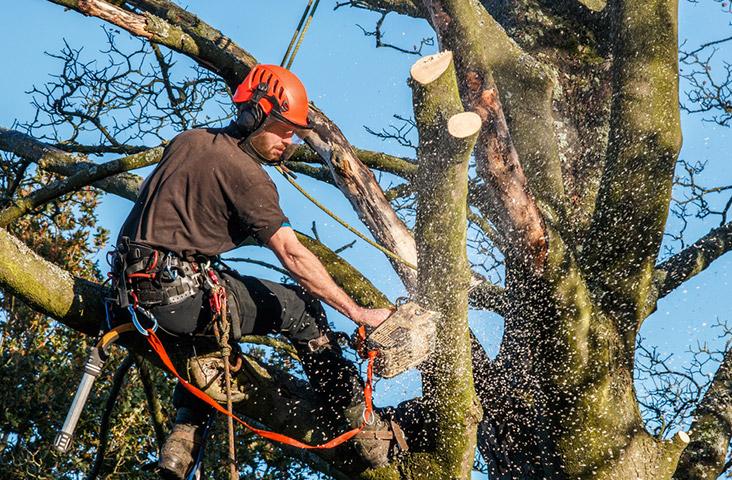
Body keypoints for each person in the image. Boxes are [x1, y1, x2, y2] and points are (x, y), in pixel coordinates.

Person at [112, 65, 401, 479]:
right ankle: (360, 423)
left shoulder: (187, 142)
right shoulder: (249, 177)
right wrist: (358, 313)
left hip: (129, 297)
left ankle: (177, 454)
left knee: (212, 348)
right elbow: (291, 253)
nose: (290, 140)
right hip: (179, 297)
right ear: (255, 116)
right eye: (284, 129)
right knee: (300, 307)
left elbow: (156, 202)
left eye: (295, 133)